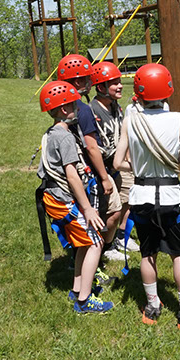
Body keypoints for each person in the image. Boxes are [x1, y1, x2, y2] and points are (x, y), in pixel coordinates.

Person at [113, 63, 180, 329]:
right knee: (178, 254)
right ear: (168, 90)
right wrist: (173, 162)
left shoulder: (131, 120)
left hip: (141, 196)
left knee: (148, 253)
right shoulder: (177, 119)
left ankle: (153, 306)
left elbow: (118, 162)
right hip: (170, 196)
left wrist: (140, 168)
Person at [37, 81, 113, 314]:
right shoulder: (65, 137)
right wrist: (87, 208)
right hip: (63, 200)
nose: (77, 109)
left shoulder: (52, 133)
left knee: (84, 243)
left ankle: (78, 288)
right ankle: (84, 301)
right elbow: (72, 175)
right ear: (63, 109)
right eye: (73, 105)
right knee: (96, 242)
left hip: (53, 197)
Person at [56, 54, 122, 283]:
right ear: (74, 81)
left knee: (92, 219)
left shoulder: (68, 108)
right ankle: (91, 269)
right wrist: (104, 177)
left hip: (79, 173)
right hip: (90, 173)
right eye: (84, 79)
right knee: (104, 216)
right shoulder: (82, 109)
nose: (89, 82)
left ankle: (85, 264)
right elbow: (92, 147)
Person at [89, 61, 140, 260]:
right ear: (101, 87)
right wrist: (103, 176)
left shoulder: (115, 107)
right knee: (111, 211)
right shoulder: (93, 111)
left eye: (119, 81)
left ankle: (120, 236)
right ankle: (105, 247)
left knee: (129, 200)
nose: (120, 86)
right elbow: (93, 147)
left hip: (119, 163)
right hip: (104, 168)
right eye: (114, 83)